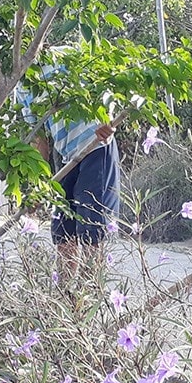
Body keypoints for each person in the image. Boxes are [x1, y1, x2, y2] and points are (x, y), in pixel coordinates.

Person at [22, 55, 120, 278]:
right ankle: (67, 298)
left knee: (92, 229)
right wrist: (39, 185)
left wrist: (108, 119)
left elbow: (107, 87)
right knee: (63, 230)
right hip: (68, 158)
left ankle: (91, 296)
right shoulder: (22, 85)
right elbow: (40, 139)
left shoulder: (66, 57)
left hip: (96, 146)